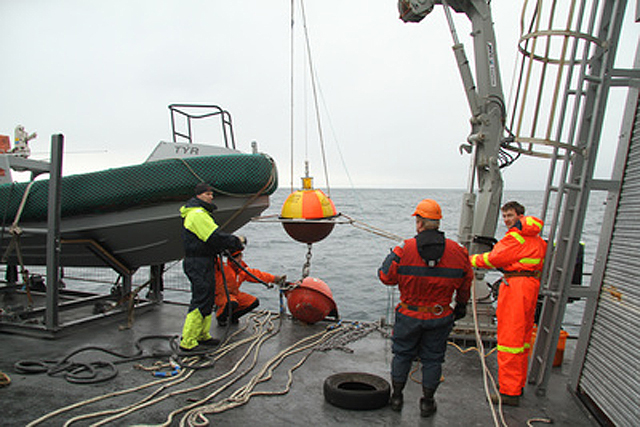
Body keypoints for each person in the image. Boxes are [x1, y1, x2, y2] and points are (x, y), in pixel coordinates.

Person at [378, 199, 473, 418]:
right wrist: (460, 305)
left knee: (402, 355)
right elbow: (466, 282)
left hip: (409, 315)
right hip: (440, 316)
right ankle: (427, 403)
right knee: (433, 359)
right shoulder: (458, 251)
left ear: (419, 223)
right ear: (438, 223)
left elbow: (386, 277)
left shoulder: (405, 248)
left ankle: (397, 398)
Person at [470, 201, 547, 406]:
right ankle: (517, 385)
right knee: (522, 341)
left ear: (520, 216)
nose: (506, 220)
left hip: (516, 287)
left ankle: (509, 393)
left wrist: (470, 259)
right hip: (530, 286)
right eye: (504, 216)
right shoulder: (537, 240)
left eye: (510, 216)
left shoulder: (515, 237)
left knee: (509, 340)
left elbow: (495, 258)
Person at [178, 182, 243, 352]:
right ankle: (188, 340)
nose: (211, 196)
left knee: (207, 298)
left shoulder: (201, 213)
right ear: (198, 196)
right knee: (200, 299)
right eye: (207, 194)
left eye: (212, 194)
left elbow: (210, 239)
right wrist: (236, 241)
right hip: (197, 262)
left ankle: (201, 335)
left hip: (204, 261)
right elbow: (214, 237)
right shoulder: (198, 214)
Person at [214, 243, 285, 326]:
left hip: (234, 295)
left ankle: (233, 317)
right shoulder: (221, 266)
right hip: (220, 296)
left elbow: (257, 275)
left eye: (240, 256)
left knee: (253, 302)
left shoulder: (241, 270)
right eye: (236, 257)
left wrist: (274, 279)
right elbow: (211, 256)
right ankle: (220, 317)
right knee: (231, 303)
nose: (239, 259)